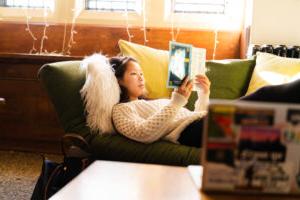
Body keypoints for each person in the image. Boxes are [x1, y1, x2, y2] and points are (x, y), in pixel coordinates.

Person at [110, 56, 300, 148]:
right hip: (191, 132)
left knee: (279, 120)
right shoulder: (121, 110)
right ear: (118, 80)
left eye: (142, 74)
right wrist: (176, 102)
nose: (141, 78)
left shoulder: (152, 102)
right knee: (264, 96)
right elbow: (144, 134)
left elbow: (193, 116)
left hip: (200, 125)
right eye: (134, 74)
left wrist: (203, 94)